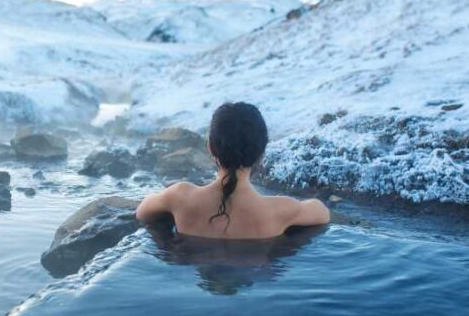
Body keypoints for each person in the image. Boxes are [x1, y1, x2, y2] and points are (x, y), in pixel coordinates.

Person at [135, 102, 330, 239]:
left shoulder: (179, 197)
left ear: (211, 147)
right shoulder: (280, 210)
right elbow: (322, 212)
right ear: (261, 154)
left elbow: (142, 212)